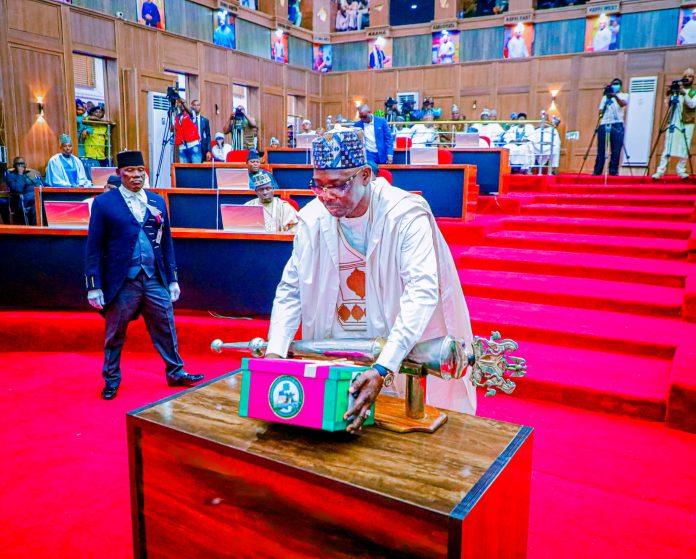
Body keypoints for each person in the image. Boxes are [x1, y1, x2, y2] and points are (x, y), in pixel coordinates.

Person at [265, 129, 476, 433]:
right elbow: (291, 291)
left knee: (396, 432)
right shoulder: (313, 219)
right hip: (335, 341)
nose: (326, 196)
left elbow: (422, 291)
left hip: (394, 342)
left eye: (337, 185)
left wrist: (384, 366)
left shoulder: (404, 214)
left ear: (365, 175)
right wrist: (274, 353)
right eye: (318, 185)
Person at [85, 150, 203, 400]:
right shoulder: (104, 203)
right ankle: (111, 379)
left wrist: (172, 278)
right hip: (122, 281)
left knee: (166, 325)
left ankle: (175, 372)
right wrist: (93, 285)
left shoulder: (157, 201)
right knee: (115, 333)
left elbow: (167, 243)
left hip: (153, 277)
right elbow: (94, 247)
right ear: (119, 173)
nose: (136, 175)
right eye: (130, 170)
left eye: (140, 170)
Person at [653, 68, 696, 180]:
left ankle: (681, 170)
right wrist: (670, 93)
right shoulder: (676, 89)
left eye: (690, 76)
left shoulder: (693, 91)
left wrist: (684, 93)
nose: (688, 78)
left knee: (685, 146)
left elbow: (692, 104)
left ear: (693, 79)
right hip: (674, 120)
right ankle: (660, 171)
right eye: (686, 76)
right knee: (668, 145)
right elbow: (669, 104)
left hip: (687, 122)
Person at [593, 78, 629, 176]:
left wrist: (615, 96)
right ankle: (597, 171)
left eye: (617, 84)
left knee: (616, 149)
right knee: (601, 149)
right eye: (613, 84)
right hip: (604, 123)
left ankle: (613, 171)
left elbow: (623, 104)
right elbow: (600, 112)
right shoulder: (605, 97)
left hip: (617, 124)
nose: (615, 86)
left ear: (620, 85)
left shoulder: (624, 95)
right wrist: (607, 98)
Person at [5, 156, 40, 225]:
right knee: (36, 207)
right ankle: (35, 229)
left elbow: (43, 184)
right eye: (18, 164)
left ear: (25, 164)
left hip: (38, 196)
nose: (20, 166)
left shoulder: (32, 173)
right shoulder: (11, 176)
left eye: (22, 163)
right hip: (25, 199)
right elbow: (18, 189)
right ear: (14, 166)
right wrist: (20, 174)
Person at [171, 97, 202, 163]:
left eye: (183, 103)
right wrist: (170, 117)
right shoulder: (177, 117)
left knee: (196, 167)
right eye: (180, 103)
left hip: (193, 145)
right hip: (182, 147)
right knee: (184, 168)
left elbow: (189, 112)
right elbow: (172, 129)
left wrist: (181, 101)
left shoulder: (192, 113)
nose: (182, 104)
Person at [83, 104, 111, 169]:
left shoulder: (105, 125)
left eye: (100, 112)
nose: (98, 113)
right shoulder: (88, 120)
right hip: (90, 153)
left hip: (101, 153)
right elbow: (91, 118)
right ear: (92, 113)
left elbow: (106, 140)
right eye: (96, 112)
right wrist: (103, 121)